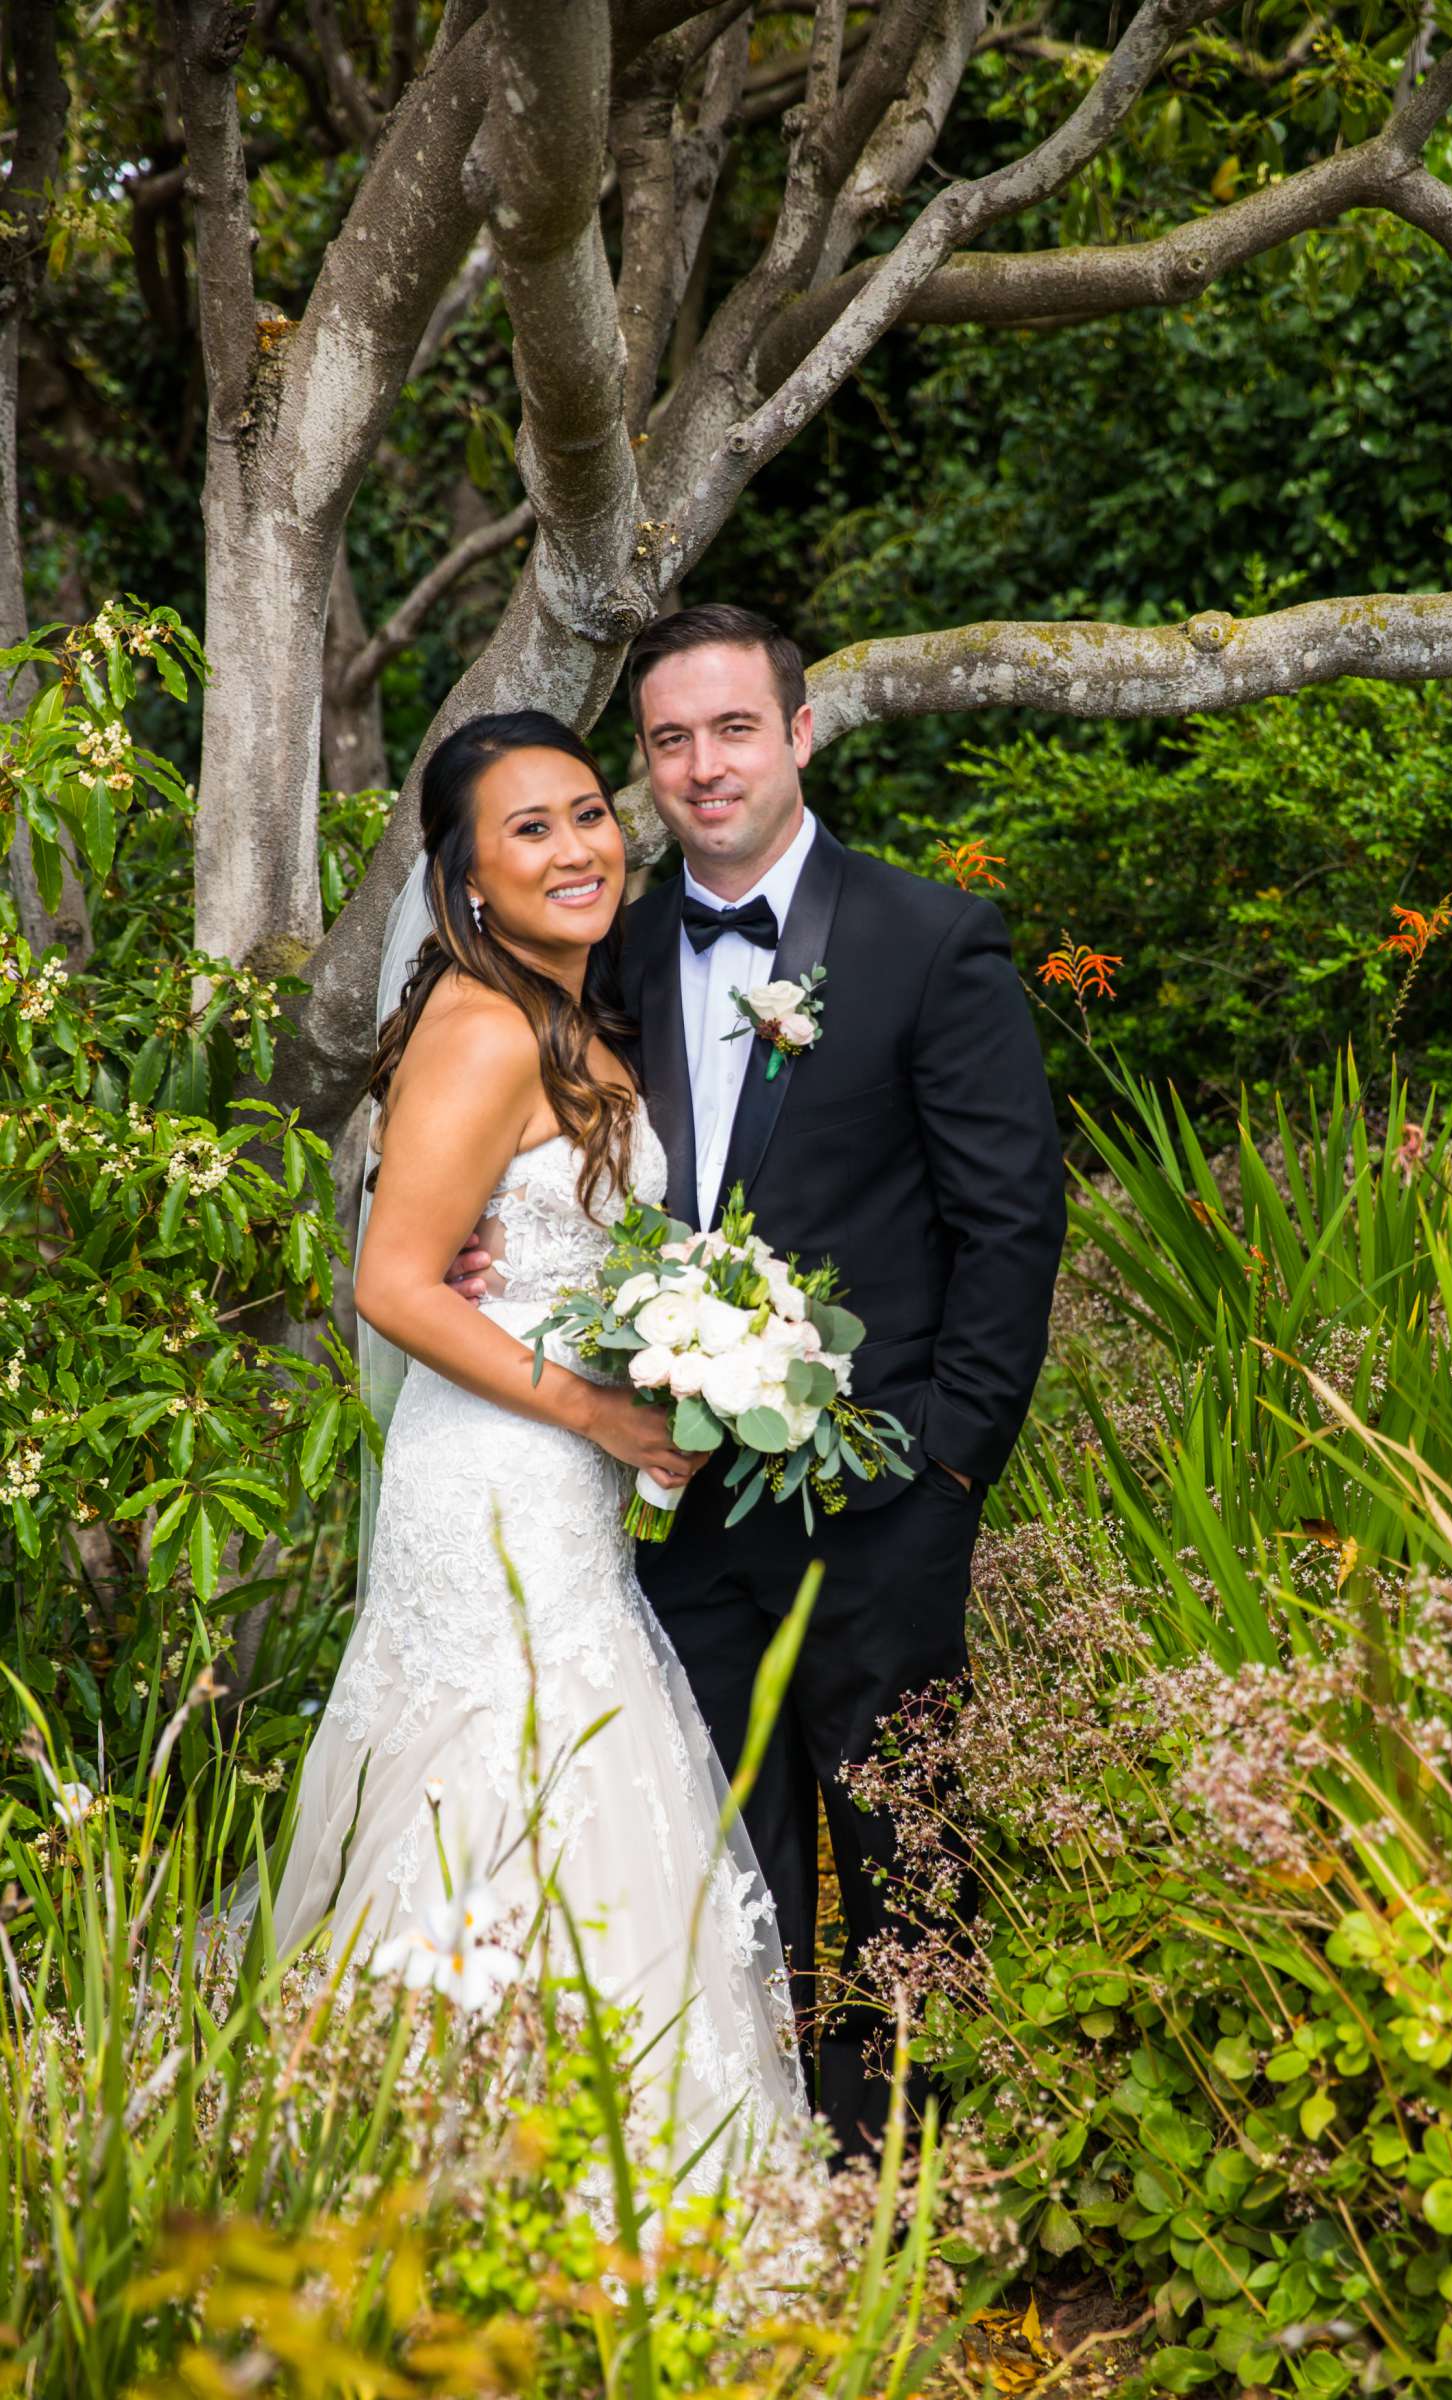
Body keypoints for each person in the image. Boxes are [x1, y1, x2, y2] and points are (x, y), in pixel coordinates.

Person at [450, 609, 1065, 2155]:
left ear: (798, 734)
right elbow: (545, 1152)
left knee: (905, 1850)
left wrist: (950, 1469)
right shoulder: (612, 950)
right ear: (645, 766)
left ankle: (925, 2176)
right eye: (668, 741)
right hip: (675, 1506)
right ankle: (780, 2158)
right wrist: (483, 1258)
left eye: (733, 729)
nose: (702, 766)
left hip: (880, 1499)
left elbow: (1011, 1221)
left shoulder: (931, 938)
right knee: (725, 1861)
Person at [268, 708, 810, 2197]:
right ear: (464, 880)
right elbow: (392, 1282)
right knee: (507, 1788)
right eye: (530, 829)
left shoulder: (576, 1010)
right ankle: (470, 2196)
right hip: (497, 1476)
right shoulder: (486, 1023)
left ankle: (564, 2192)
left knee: (576, 1792)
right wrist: (599, 1409)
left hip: (557, 1481)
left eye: (587, 812)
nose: (578, 848)